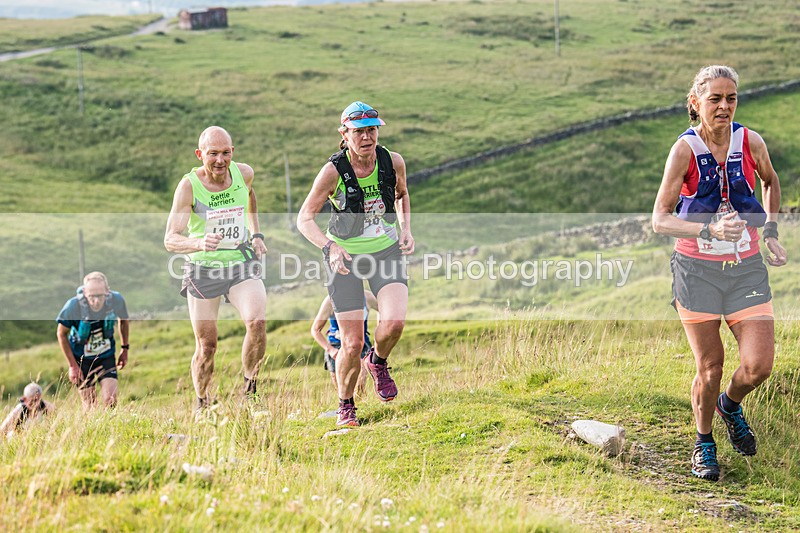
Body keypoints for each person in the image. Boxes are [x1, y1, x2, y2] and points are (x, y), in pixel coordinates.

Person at [652, 65, 787, 481]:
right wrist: (708, 228)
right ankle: (704, 442)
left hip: (745, 268)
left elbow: (771, 180)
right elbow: (660, 219)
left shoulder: (752, 141)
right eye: (715, 99)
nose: (725, 106)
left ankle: (730, 405)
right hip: (697, 270)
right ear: (696, 103)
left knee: (758, 366)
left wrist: (769, 230)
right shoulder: (685, 151)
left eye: (731, 98)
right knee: (710, 367)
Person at [297, 101, 414, 427]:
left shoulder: (393, 161)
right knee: (351, 342)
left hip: (387, 252)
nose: (367, 137)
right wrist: (329, 247)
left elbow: (403, 195)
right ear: (344, 134)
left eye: (372, 130)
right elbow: (304, 218)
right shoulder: (333, 171)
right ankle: (346, 404)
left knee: (393, 325)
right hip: (345, 259)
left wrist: (406, 229)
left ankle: (377, 362)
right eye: (359, 132)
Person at [164, 126, 268, 411]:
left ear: (232, 152)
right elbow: (170, 239)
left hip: (240, 263)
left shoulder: (244, 173)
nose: (220, 160)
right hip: (203, 270)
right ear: (200, 155)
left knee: (257, 322)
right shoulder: (189, 186)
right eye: (213, 154)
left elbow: (249, 195)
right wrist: (198, 242)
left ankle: (250, 390)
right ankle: (203, 403)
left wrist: (255, 233)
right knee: (207, 346)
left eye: (225, 153)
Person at [56, 271, 130, 408]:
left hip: (106, 356)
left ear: (107, 292)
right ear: (84, 292)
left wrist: (124, 349)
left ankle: (111, 428)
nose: (96, 301)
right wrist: (72, 365)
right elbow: (61, 334)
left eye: (100, 296)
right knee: (90, 406)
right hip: (81, 360)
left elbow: (124, 321)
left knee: (111, 400)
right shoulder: (73, 306)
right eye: (92, 297)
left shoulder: (116, 300)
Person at [311, 289, 379, 398]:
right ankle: (346, 409)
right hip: (336, 345)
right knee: (341, 389)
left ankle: (360, 406)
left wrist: (379, 334)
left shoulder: (367, 297)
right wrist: (331, 351)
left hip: (361, 343)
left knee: (360, 384)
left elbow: (383, 311)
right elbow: (315, 330)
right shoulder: (330, 300)